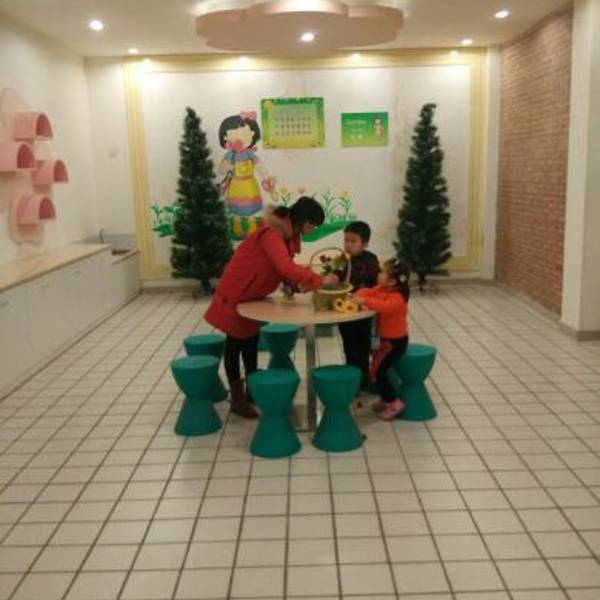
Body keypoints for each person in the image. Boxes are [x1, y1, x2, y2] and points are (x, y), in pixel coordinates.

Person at [205, 197, 337, 418]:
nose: (313, 229)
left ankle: (251, 390)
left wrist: (292, 284)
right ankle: (237, 399)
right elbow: (283, 265)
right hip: (237, 291)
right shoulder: (271, 234)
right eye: (314, 225)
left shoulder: (288, 236)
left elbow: (281, 268)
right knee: (235, 344)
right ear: (305, 221)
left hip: (251, 294)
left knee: (251, 341)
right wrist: (319, 280)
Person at [354, 258, 410, 421]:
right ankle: (386, 398)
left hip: (394, 342)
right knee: (376, 370)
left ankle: (394, 402)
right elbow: (367, 291)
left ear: (392, 281)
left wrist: (364, 300)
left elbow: (385, 307)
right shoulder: (382, 289)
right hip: (384, 341)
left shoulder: (398, 298)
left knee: (377, 372)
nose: (378, 274)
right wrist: (359, 295)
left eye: (382, 272)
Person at [338, 221, 380, 391]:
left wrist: (367, 298)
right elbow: (335, 277)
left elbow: (377, 286)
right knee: (349, 347)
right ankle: (353, 380)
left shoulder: (370, 261)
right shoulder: (342, 259)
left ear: (365, 244)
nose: (348, 244)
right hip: (344, 312)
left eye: (353, 241)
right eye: (346, 240)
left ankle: (363, 380)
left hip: (363, 313)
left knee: (363, 347)